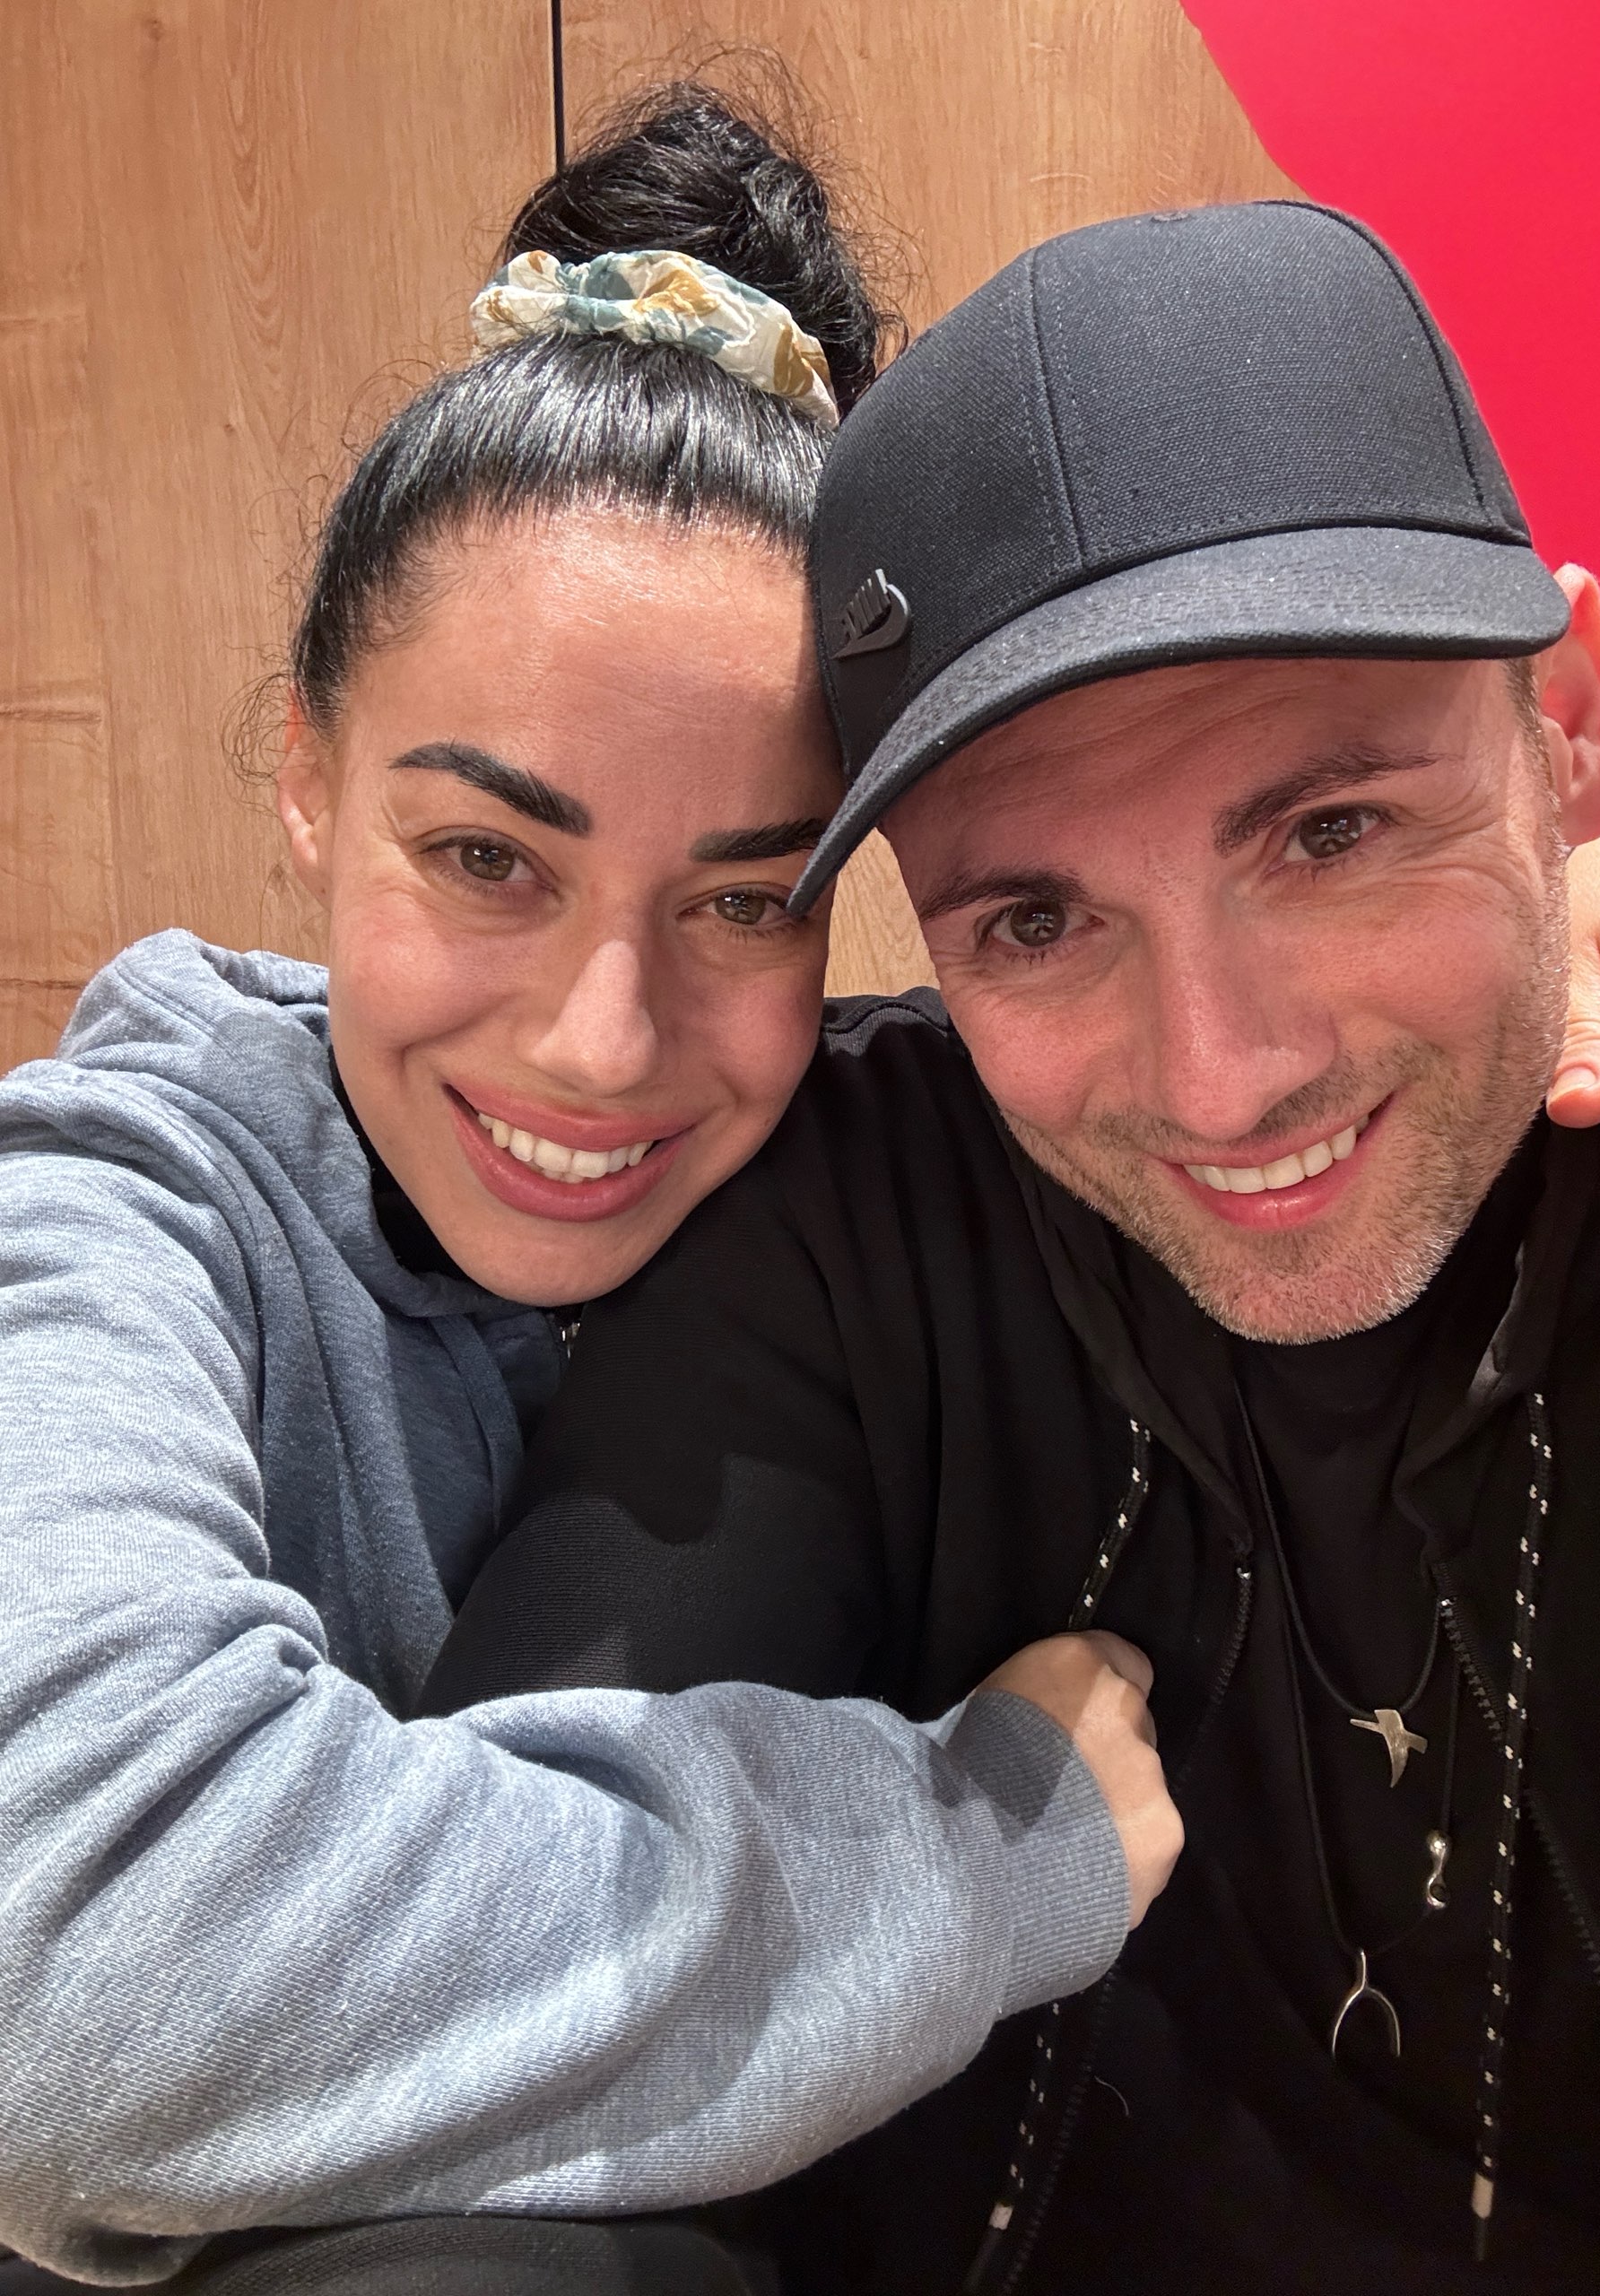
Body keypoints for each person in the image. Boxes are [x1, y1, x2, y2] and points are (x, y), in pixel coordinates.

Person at [423, 202, 1600, 2292]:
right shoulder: (853, 1224)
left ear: (1568, 722)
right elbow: (479, 1998)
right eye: (1034, 920)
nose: (1223, 1074)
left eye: (1330, 832)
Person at [0, 91, 1194, 2296]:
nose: (601, 1042)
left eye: (744, 901)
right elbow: (69, 1970)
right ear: (305, 773)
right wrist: (982, 1845)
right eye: (486, 856)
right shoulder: (112, 1210)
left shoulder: (864, 1176)